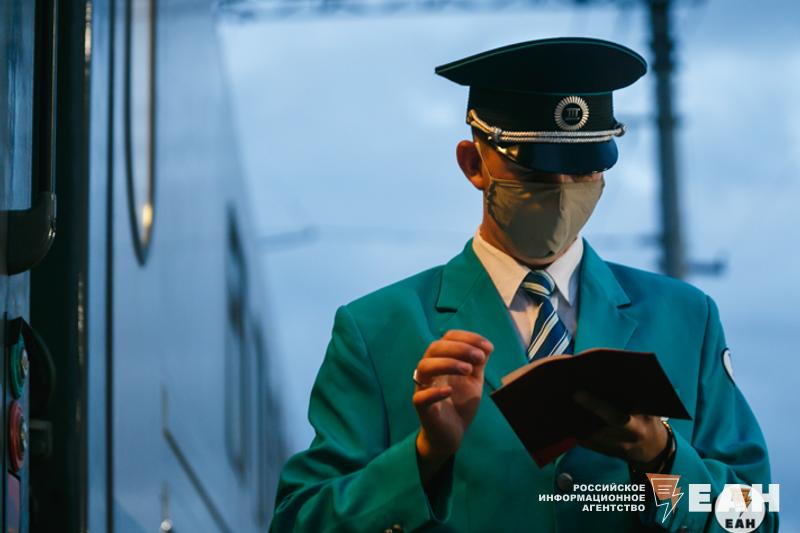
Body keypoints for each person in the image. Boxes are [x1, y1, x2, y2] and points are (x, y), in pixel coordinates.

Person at [270, 37, 776, 532]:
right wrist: (424, 456)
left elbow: (753, 517)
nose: (561, 191)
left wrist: (660, 458)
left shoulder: (687, 319)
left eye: (584, 169)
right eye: (535, 170)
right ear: (473, 164)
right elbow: (298, 520)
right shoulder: (376, 329)